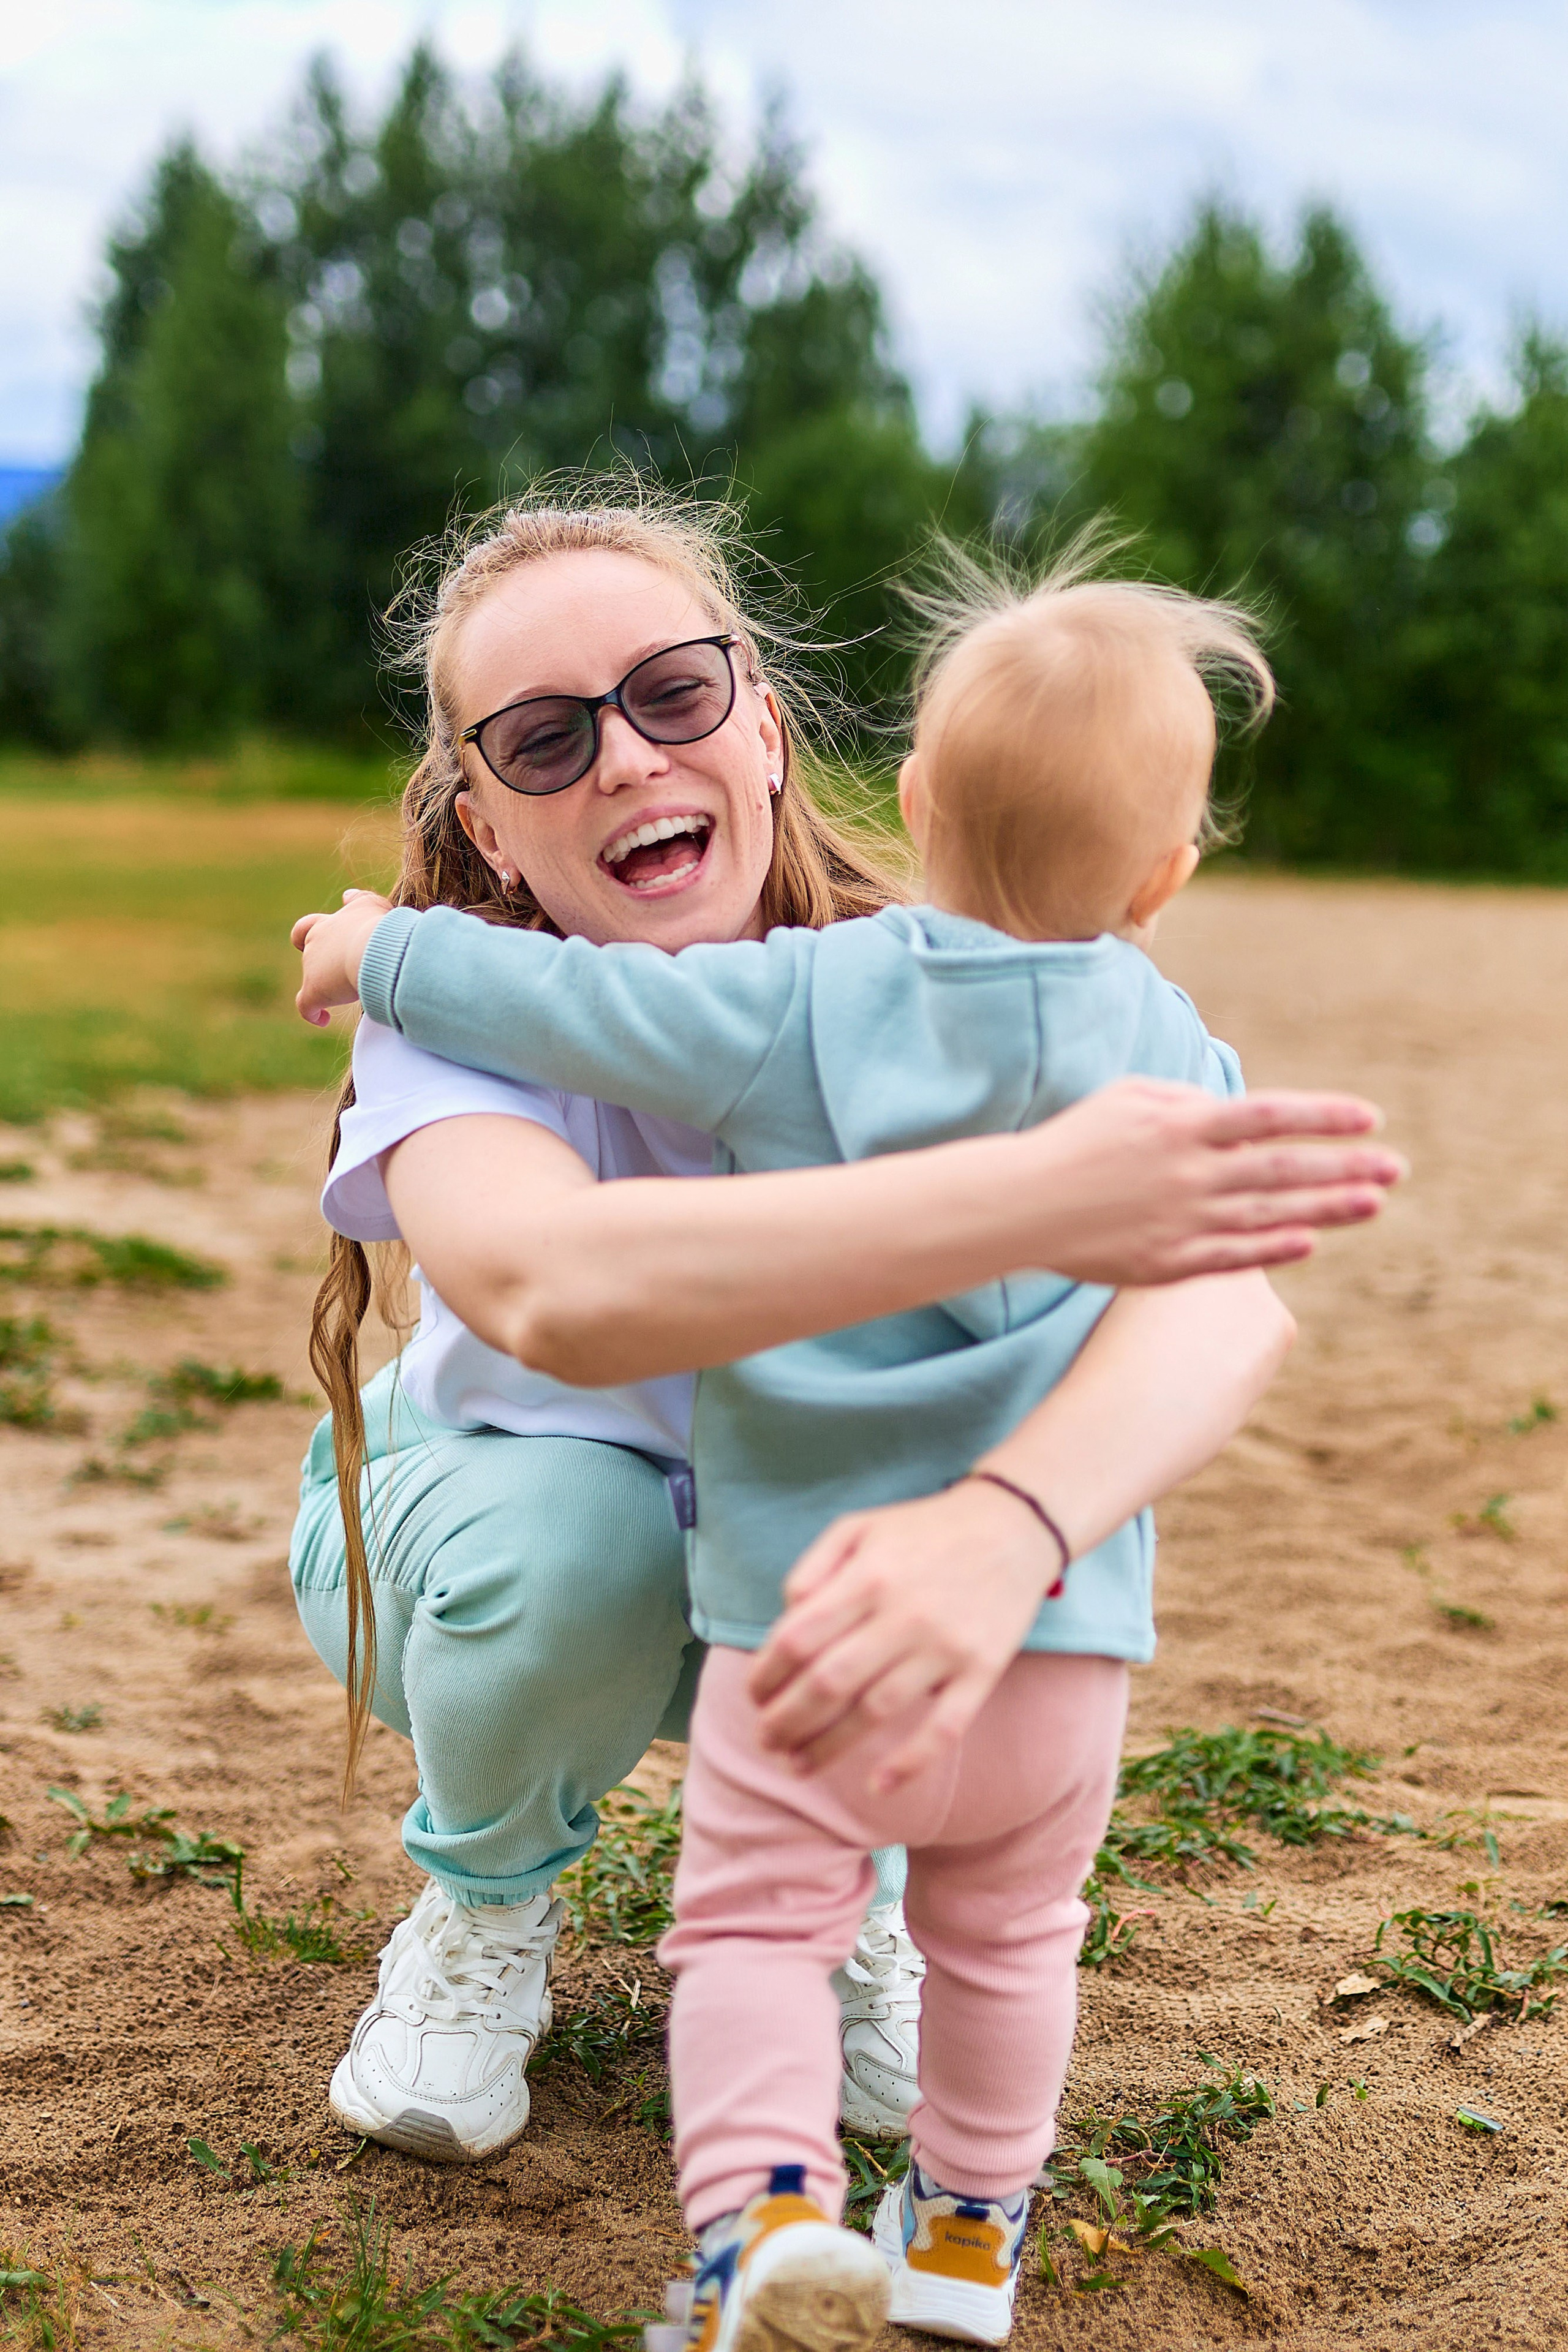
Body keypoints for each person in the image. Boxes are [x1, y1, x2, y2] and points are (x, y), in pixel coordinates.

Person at [295, 518, 1401, 2345]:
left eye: (670, 693)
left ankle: (782, 2179)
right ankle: (500, 1913)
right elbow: (558, 1290)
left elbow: (1227, 1294)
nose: (632, 756)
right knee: (597, 1555)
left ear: (772, 727)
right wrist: (1039, 1196)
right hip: (500, 1556)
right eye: (548, 738)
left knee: (799, 1872)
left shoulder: (859, 977)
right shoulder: (523, 1018)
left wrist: (1012, 1524)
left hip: (832, 1597)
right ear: (485, 821)